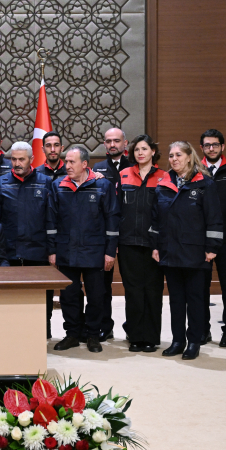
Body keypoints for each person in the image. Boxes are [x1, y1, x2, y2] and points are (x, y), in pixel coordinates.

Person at [151, 141, 222, 360]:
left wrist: (212, 247)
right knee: (176, 300)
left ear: (190, 157)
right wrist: (155, 246)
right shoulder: (163, 184)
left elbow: (215, 219)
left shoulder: (205, 184)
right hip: (170, 251)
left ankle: (194, 342)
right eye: (171, 155)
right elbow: (156, 218)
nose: (174, 159)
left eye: (178, 155)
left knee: (196, 300)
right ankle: (177, 340)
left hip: (196, 252)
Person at [50, 145, 120, 353]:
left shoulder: (103, 185)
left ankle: (92, 335)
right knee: (69, 296)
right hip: (66, 251)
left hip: (95, 251)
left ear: (84, 164)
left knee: (96, 296)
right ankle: (72, 334)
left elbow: (112, 220)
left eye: (72, 162)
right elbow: (51, 219)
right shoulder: (58, 185)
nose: (67, 165)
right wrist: (52, 250)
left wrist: (110, 251)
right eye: (66, 161)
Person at [0, 141, 56, 337]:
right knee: (12, 294)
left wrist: (52, 250)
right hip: (10, 251)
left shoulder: (45, 182)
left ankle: (44, 330)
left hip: (38, 250)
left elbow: (51, 219)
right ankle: (13, 332)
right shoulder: (2, 182)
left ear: (31, 160)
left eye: (21, 159)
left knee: (42, 293)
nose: (17, 163)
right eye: (14, 159)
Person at [118, 135, 168, 352]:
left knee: (153, 291)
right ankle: (136, 337)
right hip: (128, 242)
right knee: (133, 291)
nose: (140, 153)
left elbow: (165, 212)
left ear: (153, 152)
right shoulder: (124, 175)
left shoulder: (164, 176)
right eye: (137, 149)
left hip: (154, 244)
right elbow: (116, 209)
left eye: (144, 149)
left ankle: (150, 337)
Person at [199, 129, 226, 346]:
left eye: (215, 145)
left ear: (223, 147)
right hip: (200, 240)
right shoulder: (195, 170)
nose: (211, 148)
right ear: (202, 149)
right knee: (200, 287)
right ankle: (202, 330)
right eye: (207, 145)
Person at [91, 127, 131, 342]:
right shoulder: (97, 168)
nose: (112, 144)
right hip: (105, 235)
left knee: (131, 284)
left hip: (129, 235)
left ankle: (132, 326)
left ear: (126, 143)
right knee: (102, 286)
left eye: (117, 140)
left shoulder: (134, 167)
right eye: (108, 141)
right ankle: (105, 326)